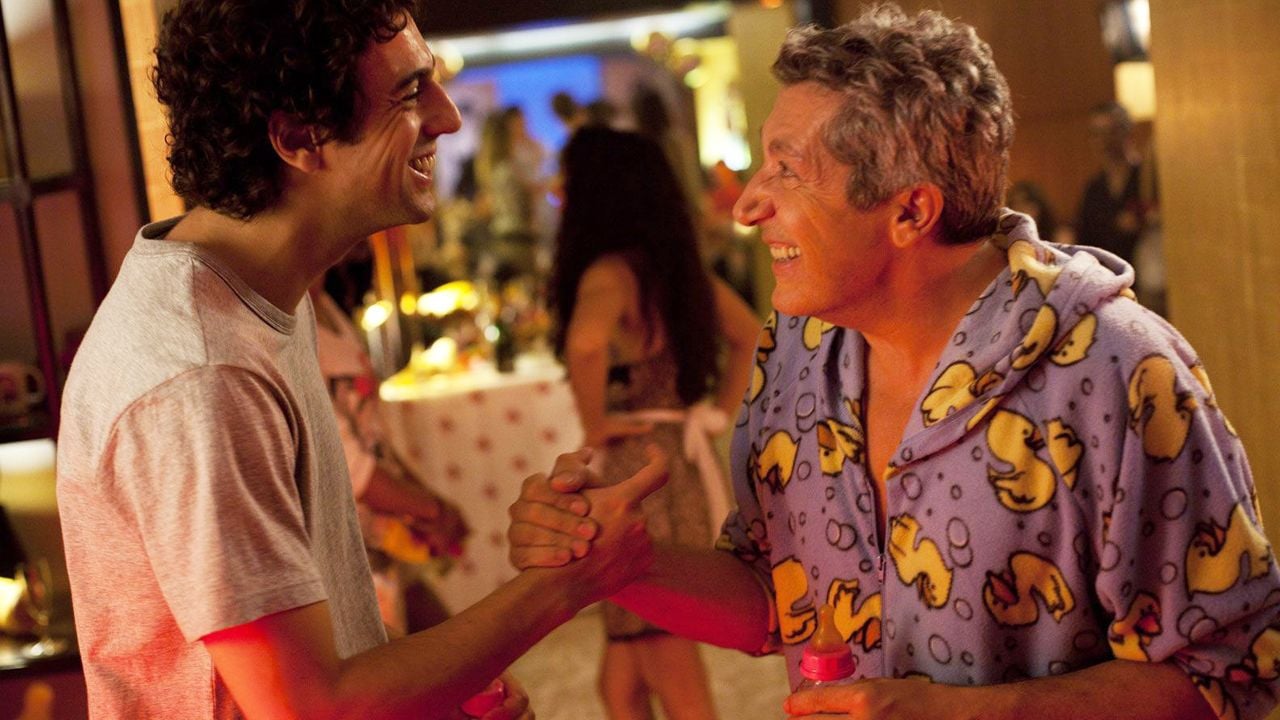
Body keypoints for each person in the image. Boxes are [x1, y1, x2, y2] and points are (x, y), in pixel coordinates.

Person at [508, 5, 1280, 720]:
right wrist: (625, 564)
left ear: (910, 210)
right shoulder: (798, 352)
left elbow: (1229, 672)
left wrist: (967, 713)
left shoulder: (1117, 371)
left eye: (787, 169)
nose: (745, 205)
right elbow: (778, 598)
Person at [55, 2, 668, 717]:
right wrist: (567, 583)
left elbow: (314, 656)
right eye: (410, 93)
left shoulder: (259, 298)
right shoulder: (203, 374)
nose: (447, 118)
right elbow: (312, 705)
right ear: (298, 136)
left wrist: (437, 688)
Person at [548, 127, 761, 720]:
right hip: (675, 460)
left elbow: (586, 343)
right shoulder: (673, 270)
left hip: (634, 470)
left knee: (668, 662)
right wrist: (716, 411)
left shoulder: (608, 274)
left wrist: (594, 425)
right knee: (621, 680)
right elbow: (749, 334)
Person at [311, 281, 468, 636]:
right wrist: (432, 510)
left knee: (441, 642)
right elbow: (346, 467)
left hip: (378, 531)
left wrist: (424, 496)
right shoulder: (287, 320)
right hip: (348, 541)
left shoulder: (327, 306)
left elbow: (373, 435)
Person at [1075, 102, 1148, 266]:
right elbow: (1085, 238)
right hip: (1109, 275)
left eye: (1110, 132)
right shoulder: (1093, 189)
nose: (1103, 140)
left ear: (1127, 132)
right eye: (1096, 134)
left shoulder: (1147, 177)